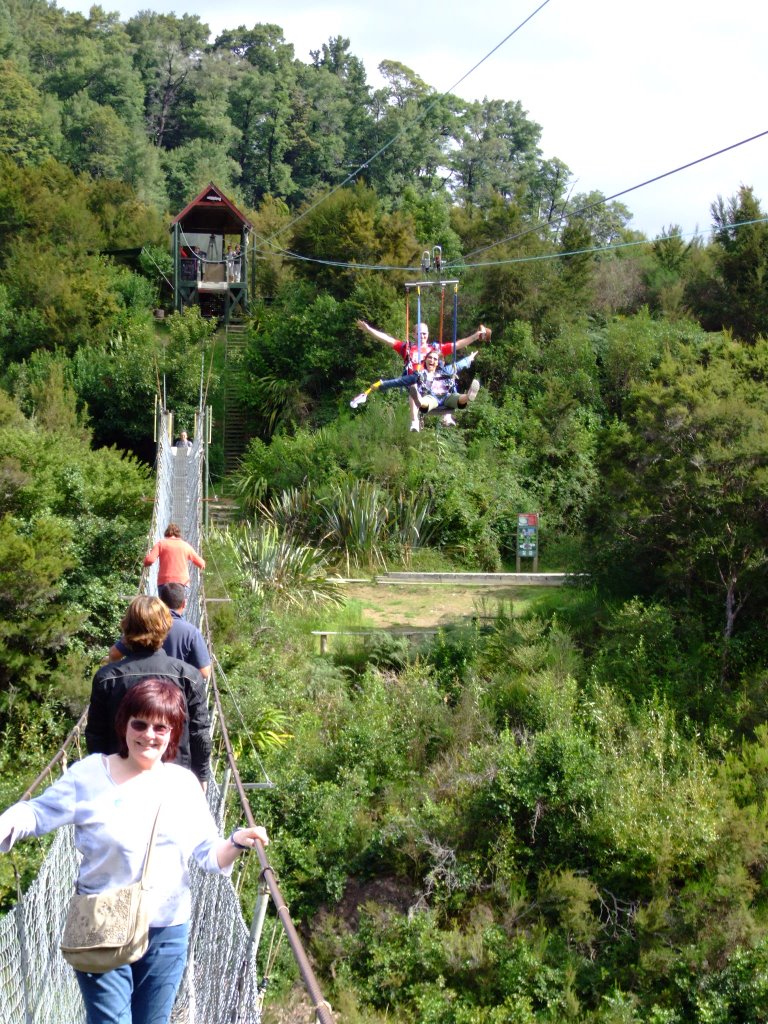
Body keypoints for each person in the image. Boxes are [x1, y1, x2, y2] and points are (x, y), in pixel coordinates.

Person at [0, 678, 269, 1024]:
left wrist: (235, 843)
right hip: (102, 922)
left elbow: (207, 852)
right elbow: (37, 813)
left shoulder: (182, 784)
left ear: (173, 733)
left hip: (167, 930)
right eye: (139, 724)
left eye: (161, 726)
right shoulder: (89, 776)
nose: (149, 735)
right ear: (124, 725)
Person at [87, 596, 211, 786]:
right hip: (173, 780)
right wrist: (201, 777)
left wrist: (99, 780)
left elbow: (96, 735)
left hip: (119, 781)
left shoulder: (107, 678)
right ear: (166, 627)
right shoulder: (189, 676)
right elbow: (199, 733)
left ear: (126, 627)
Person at [108, 583, 211, 680]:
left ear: (159, 601)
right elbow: (204, 672)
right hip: (175, 692)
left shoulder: (144, 623)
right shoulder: (192, 632)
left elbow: (114, 654)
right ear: (184, 603)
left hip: (139, 688)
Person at [356, 318, 490, 375]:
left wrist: (474, 337)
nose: (422, 336)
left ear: (428, 334)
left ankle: (448, 413)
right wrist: (369, 330)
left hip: (432, 378)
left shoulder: (435, 349)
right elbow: (387, 339)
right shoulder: (407, 348)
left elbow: (458, 345)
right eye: (419, 334)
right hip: (415, 380)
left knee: (451, 372)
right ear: (414, 335)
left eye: (424, 334)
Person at [409, 348, 481, 430]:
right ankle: (416, 413)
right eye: (430, 358)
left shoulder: (445, 371)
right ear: (425, 360)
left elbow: (458, 365)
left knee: (458, 397)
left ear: (437, 363)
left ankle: (469, 395)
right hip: (432, 397)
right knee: (423, 400)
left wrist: (469, 358)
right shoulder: (422, 373)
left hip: (447, 396)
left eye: (435, 359)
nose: (432, 360)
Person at [144, 524, 205, 588]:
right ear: (179, 534)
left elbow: (149, 560)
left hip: (164, 582)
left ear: (166, 533)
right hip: (182, 582)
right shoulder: (186, 546)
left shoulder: (161, 544)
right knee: (181, 598)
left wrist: (145, 563)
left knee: (163, 598)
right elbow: (201, 563)